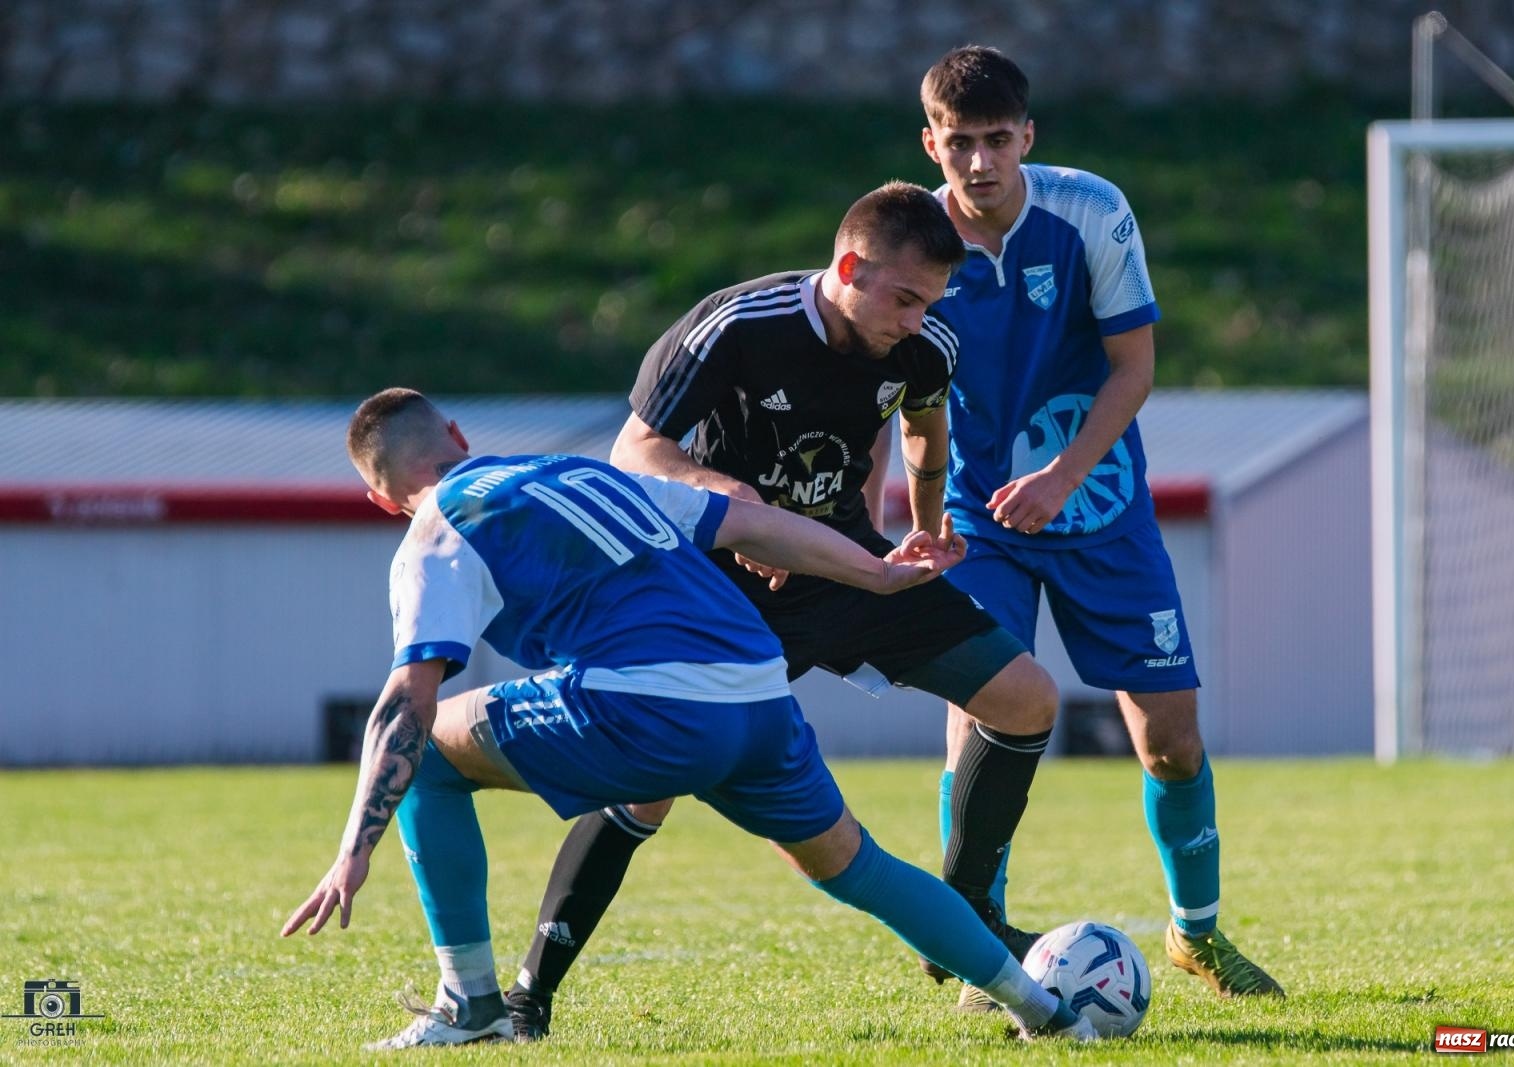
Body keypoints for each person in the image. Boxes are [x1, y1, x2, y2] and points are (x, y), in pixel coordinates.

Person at [279, 388, 1095, 1049]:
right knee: (859, 865)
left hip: (650, 704)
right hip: (758, 691)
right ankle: (1042, 1008)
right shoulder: (582, 471)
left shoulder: (435, 527)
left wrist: (354, 849)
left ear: (380, 496)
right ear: (456, 432)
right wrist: (874, 573)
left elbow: (405, 702)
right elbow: (752, 523)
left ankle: (472, 1004)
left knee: (430, 752)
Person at [506, 180, 1062, 1032]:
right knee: (648, 787)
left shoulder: (925, 344)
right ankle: (528, 997)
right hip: (720, 587)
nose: (917, 320)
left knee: (1026, 698)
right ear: (849, 266)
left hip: (845, 565)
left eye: (932, 303)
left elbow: (922, 429)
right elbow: (635, 452)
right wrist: (732, 502)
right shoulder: (735, 326)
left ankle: (973, 912)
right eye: (905, 298)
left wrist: (925, 526)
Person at [916, 45, 1283, 998]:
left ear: (1028, 137)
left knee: (1169, 737)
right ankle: (976, 939)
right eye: (961, 144)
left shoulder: (1091, 211)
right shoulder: (910, 241)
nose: (982, 163)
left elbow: (1134, 368)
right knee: (982, 716)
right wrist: (916, 520)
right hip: (977, 523)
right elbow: (893, 394)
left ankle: (1196, 933)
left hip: (1104, 510)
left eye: (999, 140)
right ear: (932, 144)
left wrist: (1060, 474)